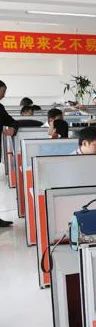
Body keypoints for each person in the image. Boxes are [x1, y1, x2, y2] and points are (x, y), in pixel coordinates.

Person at [0, 80, 18, 228]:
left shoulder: (0, 108)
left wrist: (12, 128)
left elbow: (13, 122)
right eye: (3, 91)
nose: (4, 95)